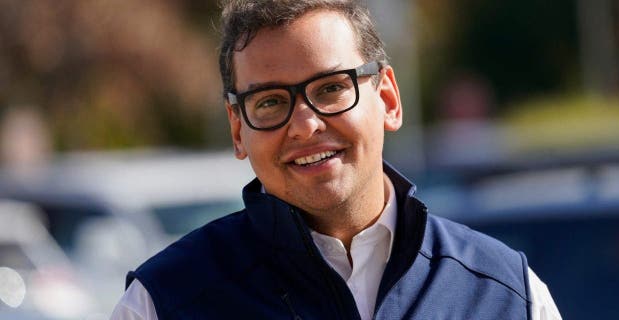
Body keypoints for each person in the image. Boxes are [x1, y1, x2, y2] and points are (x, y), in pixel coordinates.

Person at [111, 0, 561, 319]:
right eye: (269, 102)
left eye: (330, 88)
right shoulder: (164, 303)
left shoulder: (508, 296)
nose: (305, 125)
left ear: (387, 98)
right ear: (237, 129)